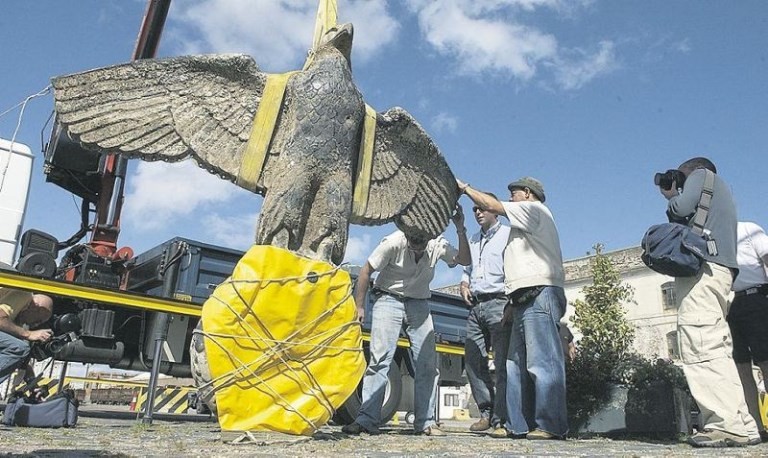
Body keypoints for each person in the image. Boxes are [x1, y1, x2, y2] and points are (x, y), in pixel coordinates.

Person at [456, 176, 568, 440]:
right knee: (513, 364)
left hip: (541, 291)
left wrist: (465, 188)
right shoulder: (521, 226)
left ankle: (551, 424)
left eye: (514, 194)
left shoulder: (534, 210)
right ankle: (515, 424)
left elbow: (493, 205)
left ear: (527, 194)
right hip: (521, 298)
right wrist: (512, 302)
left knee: (544, 362)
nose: (511, 200)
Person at [342, 207, 470, 436]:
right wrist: (359, 306)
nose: (416, 246)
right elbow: (365, 271)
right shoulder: (393, 242)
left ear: (429, 237)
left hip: (419, 303)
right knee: (380, 358)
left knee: (427, 363)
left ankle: (426, 422)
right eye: (412, 240)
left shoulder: (437, 245)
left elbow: (464, 259)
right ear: (407, 234)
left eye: (421, 242)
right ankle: (366, 420)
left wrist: (460, 228)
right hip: (388, 298)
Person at [659, 157, 760, 447]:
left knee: (699, 342)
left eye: (681, 173)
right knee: (716, 347)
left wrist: (672, 195)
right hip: (721, 270)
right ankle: (741, 423)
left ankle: (724, 424)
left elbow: (679, 209)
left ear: (691, 169)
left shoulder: (701, 174)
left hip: (703, 270)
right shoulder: (722, 192)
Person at [459, 198, 511, 435]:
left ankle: (501, 418)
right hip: (476, 306)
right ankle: (486, 413)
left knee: (501, 363)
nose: (477, 212)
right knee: (472, 360)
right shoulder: (473, 239)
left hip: (499, 302)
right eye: (474, 209)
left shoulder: (508, 235)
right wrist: (464, 282)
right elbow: (467, 268)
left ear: (494, 211)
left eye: (481, 208)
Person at [728, 221, 768, 442]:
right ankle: (757, 428)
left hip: (757, 298)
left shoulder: (747, 229)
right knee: (742, 368)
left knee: (766, 362)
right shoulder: (712, 235)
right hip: (732, 305)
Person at [0, 287, 54, 385]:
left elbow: (19, 359)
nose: (35, 325)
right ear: (36, 308)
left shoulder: (14, 322)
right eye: (38, 320)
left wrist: (32, 383)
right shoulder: (24, 294)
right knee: (19, 347)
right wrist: (28, 334)